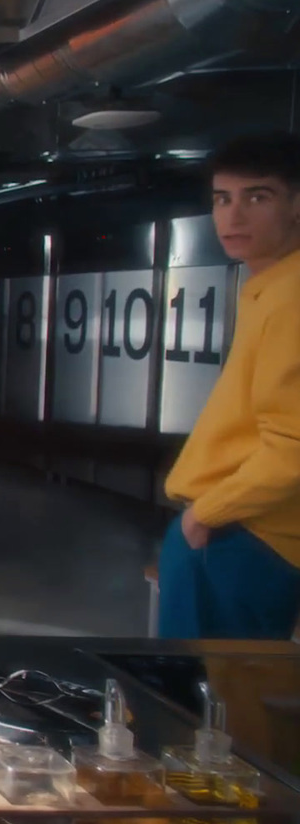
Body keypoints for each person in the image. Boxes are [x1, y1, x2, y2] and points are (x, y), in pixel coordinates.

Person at [158, 133, 300, 640]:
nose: (233, 218)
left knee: (208, 702)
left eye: (258, 197)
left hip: (243, 535)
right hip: (234, 530)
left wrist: (206, 515)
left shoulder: (291, 298)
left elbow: (293, 444)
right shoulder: (267, 286)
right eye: (223, 199)